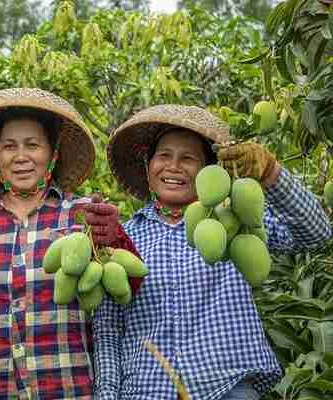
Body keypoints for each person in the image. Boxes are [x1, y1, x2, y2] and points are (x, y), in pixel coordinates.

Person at [92, 104, 332, 399]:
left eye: (188, 158)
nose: (174, 166)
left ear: (208, 171)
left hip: (227, 388)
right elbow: (108, 328)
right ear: (148, 165)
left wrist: (270, 173)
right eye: (164, 155)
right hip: (146, 389)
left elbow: (316, 234)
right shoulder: (122, 236)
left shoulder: (234, 222)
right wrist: (107, 393)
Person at [0, 88, 142, 399]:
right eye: (9, 146)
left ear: (53, 155)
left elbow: (128, 288)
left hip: (64, 386)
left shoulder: (82, 216)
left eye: (32, 145)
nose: (21, 156)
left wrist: (112, 236)